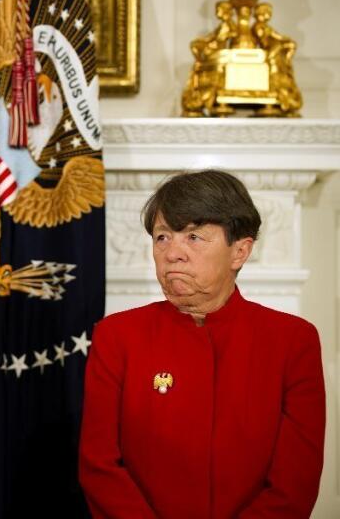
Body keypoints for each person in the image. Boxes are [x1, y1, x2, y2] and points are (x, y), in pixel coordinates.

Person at [79, 170, 325, 518]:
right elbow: (99, 466)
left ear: (239, 251)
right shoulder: (116, 336)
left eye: (193, 236)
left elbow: (294, 484)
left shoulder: (293, 341)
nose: (172, 252)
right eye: (162, 237)